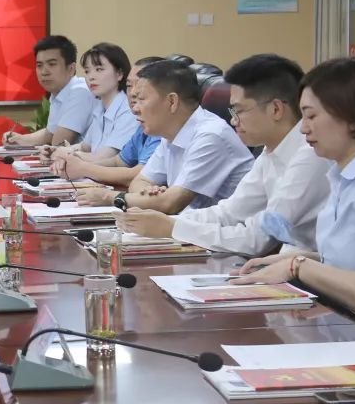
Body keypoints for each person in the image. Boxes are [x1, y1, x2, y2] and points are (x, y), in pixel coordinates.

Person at [118, 54, 329, 254]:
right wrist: (164, 222)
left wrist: (172, 228)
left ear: (275, 109)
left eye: (239, 110)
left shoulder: (310, 155)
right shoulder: (270, 152)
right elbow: (230, 212)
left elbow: (257, 239)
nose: (233, 121)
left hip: (308, 271)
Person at [232, 57, 355, 288]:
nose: (303, 129)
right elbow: (347, 263)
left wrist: (299, 267)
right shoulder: (339, 176)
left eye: (311, 116)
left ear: (352, 118)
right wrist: (301, 259)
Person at [78, 59, 253, 213]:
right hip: (191, 228)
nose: (135, 108)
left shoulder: (211, 136)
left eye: (141, 99)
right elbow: (139, 182)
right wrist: (150, 195)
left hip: (226, 234)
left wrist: (109, 197)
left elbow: (169, 204)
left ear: (172, 102)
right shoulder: (170, 134)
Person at [57, 57, 164, 189]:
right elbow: (118, 161)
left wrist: (83, 168)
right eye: (129, 85)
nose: (133, 92)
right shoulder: (143, 124)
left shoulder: (161, 129)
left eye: (99, 69)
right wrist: (73, 162)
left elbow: (138, 175)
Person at [50, 42, 138, 162]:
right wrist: (55, 151)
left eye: (99, 69)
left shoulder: (128, 110)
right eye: (87, 71)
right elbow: (85, 147)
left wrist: (65, 155)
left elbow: (105, 157)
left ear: (119, 74)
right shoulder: (101, 107)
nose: (91, 77)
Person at [4, 35, 97, 146]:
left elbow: (58, 143)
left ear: (71, 69)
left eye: (52, 64)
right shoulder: (58, 93)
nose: (44, 72)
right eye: (39, 65)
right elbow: (49, 134)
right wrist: (20, 139)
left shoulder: (80, 92)